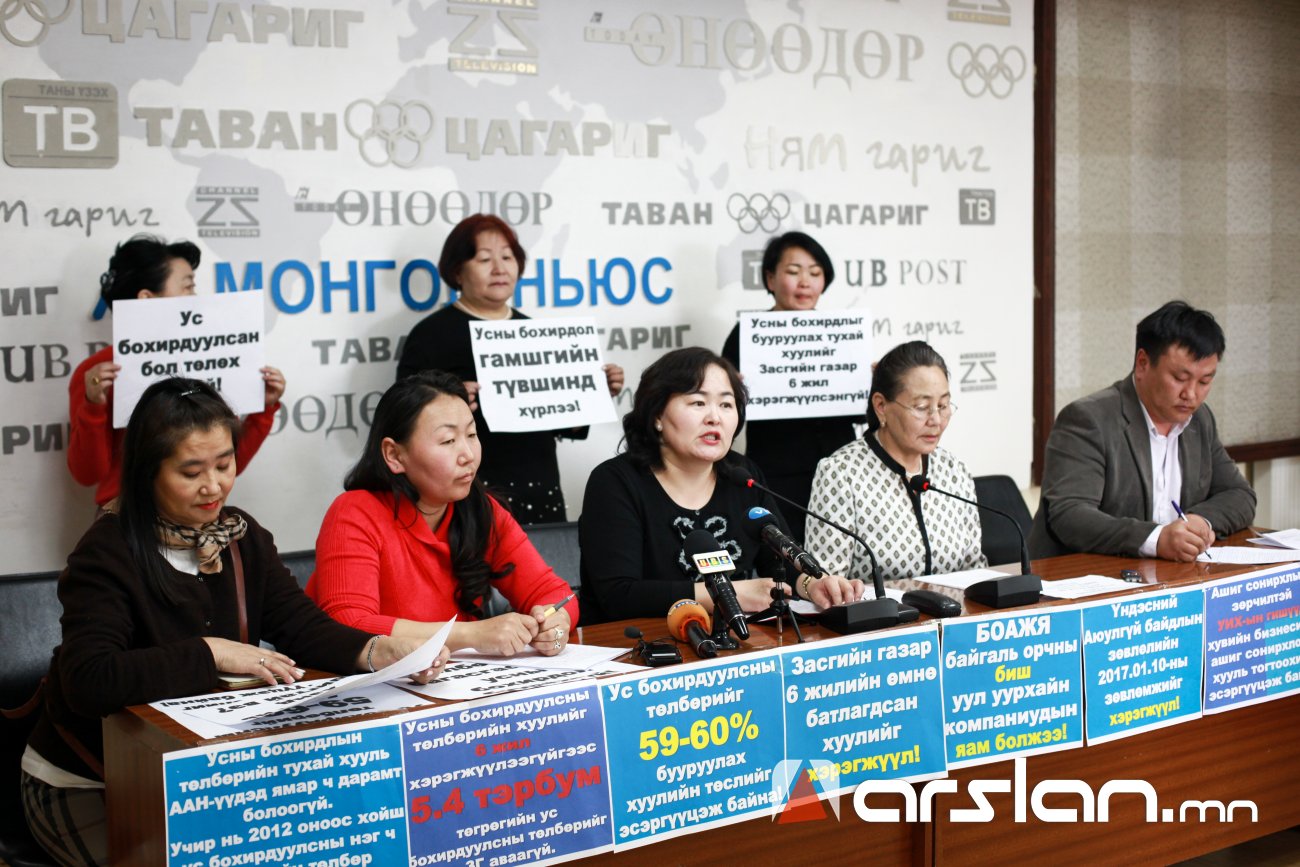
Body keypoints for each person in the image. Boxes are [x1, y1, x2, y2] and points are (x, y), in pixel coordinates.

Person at [22, 378, 445, 867]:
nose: (214, 486)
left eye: (224, 465)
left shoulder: (241, 536)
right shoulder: (107, 552)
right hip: (91, 779)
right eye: (191, 472)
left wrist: (377, 650)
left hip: (200, 778)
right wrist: (212, 651)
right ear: (146, 472)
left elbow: (304, 629)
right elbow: (90, 680)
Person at [578, 347, 863, 624]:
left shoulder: (742, 476)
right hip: (633, 644)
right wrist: (730, 594)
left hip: (731, 641)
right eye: (698, 403)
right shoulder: (615, 482)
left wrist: (812, 584)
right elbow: (619, 596)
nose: (714, 417)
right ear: (657, 416)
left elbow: (780, 564)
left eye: (726, 405)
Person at [308, 371, 579, 657]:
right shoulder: (354, 512)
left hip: (454, 678)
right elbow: (348, 623)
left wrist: (555, 623)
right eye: (448, 441)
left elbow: (555, 593)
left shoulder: (482, 509)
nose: (468, 455)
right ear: (395, 455)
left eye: (472, 435)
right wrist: (472, 634)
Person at [396, 215, 623, 523]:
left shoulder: (534, 332)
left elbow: (558, 421)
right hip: (467, 491)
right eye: (484, 259)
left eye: (507, 257)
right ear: (457, 271)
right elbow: (402, 417)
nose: (499, 268)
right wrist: (448, 402)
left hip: (539, 488)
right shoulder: (430, 336)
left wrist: (592, 391)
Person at [68, 235, 286, 508]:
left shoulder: (213, 359)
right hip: (126, 520)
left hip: (198, 517)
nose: (196, 298)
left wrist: (263, 409)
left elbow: (231, 464)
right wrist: (93, 406)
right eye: (188, 287)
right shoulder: (97, 374)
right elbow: (88, 474)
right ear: (147, 299)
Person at [1029, 301, 1256, 561]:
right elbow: (1069, 515)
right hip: (1082, 574)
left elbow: (1240, 495)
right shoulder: (1088, 419)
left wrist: (1199, 522)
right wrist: (1156, 539)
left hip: (1165, 575)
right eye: (1180, 378)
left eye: (1204, 381)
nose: (1191, 394)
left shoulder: (1199, 420)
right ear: (1143, 363)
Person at [806, 341, 987, 583]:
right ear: (881, 406)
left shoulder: (954, 471)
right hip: (878, 609)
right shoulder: (840, 474)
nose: (936, 420)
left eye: (943, 405)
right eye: (922, 407)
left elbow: (975, 570)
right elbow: (825, 582)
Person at [722, 231, 860, 544]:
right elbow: (726, 413)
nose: (805, 282)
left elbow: (861, 413)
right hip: (778, 476)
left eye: (815, 273)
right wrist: (734, 392)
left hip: (841, 471)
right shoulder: (747, 335)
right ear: (770, 279)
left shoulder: (841, 335)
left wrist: (868, 383)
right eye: (794, 271)